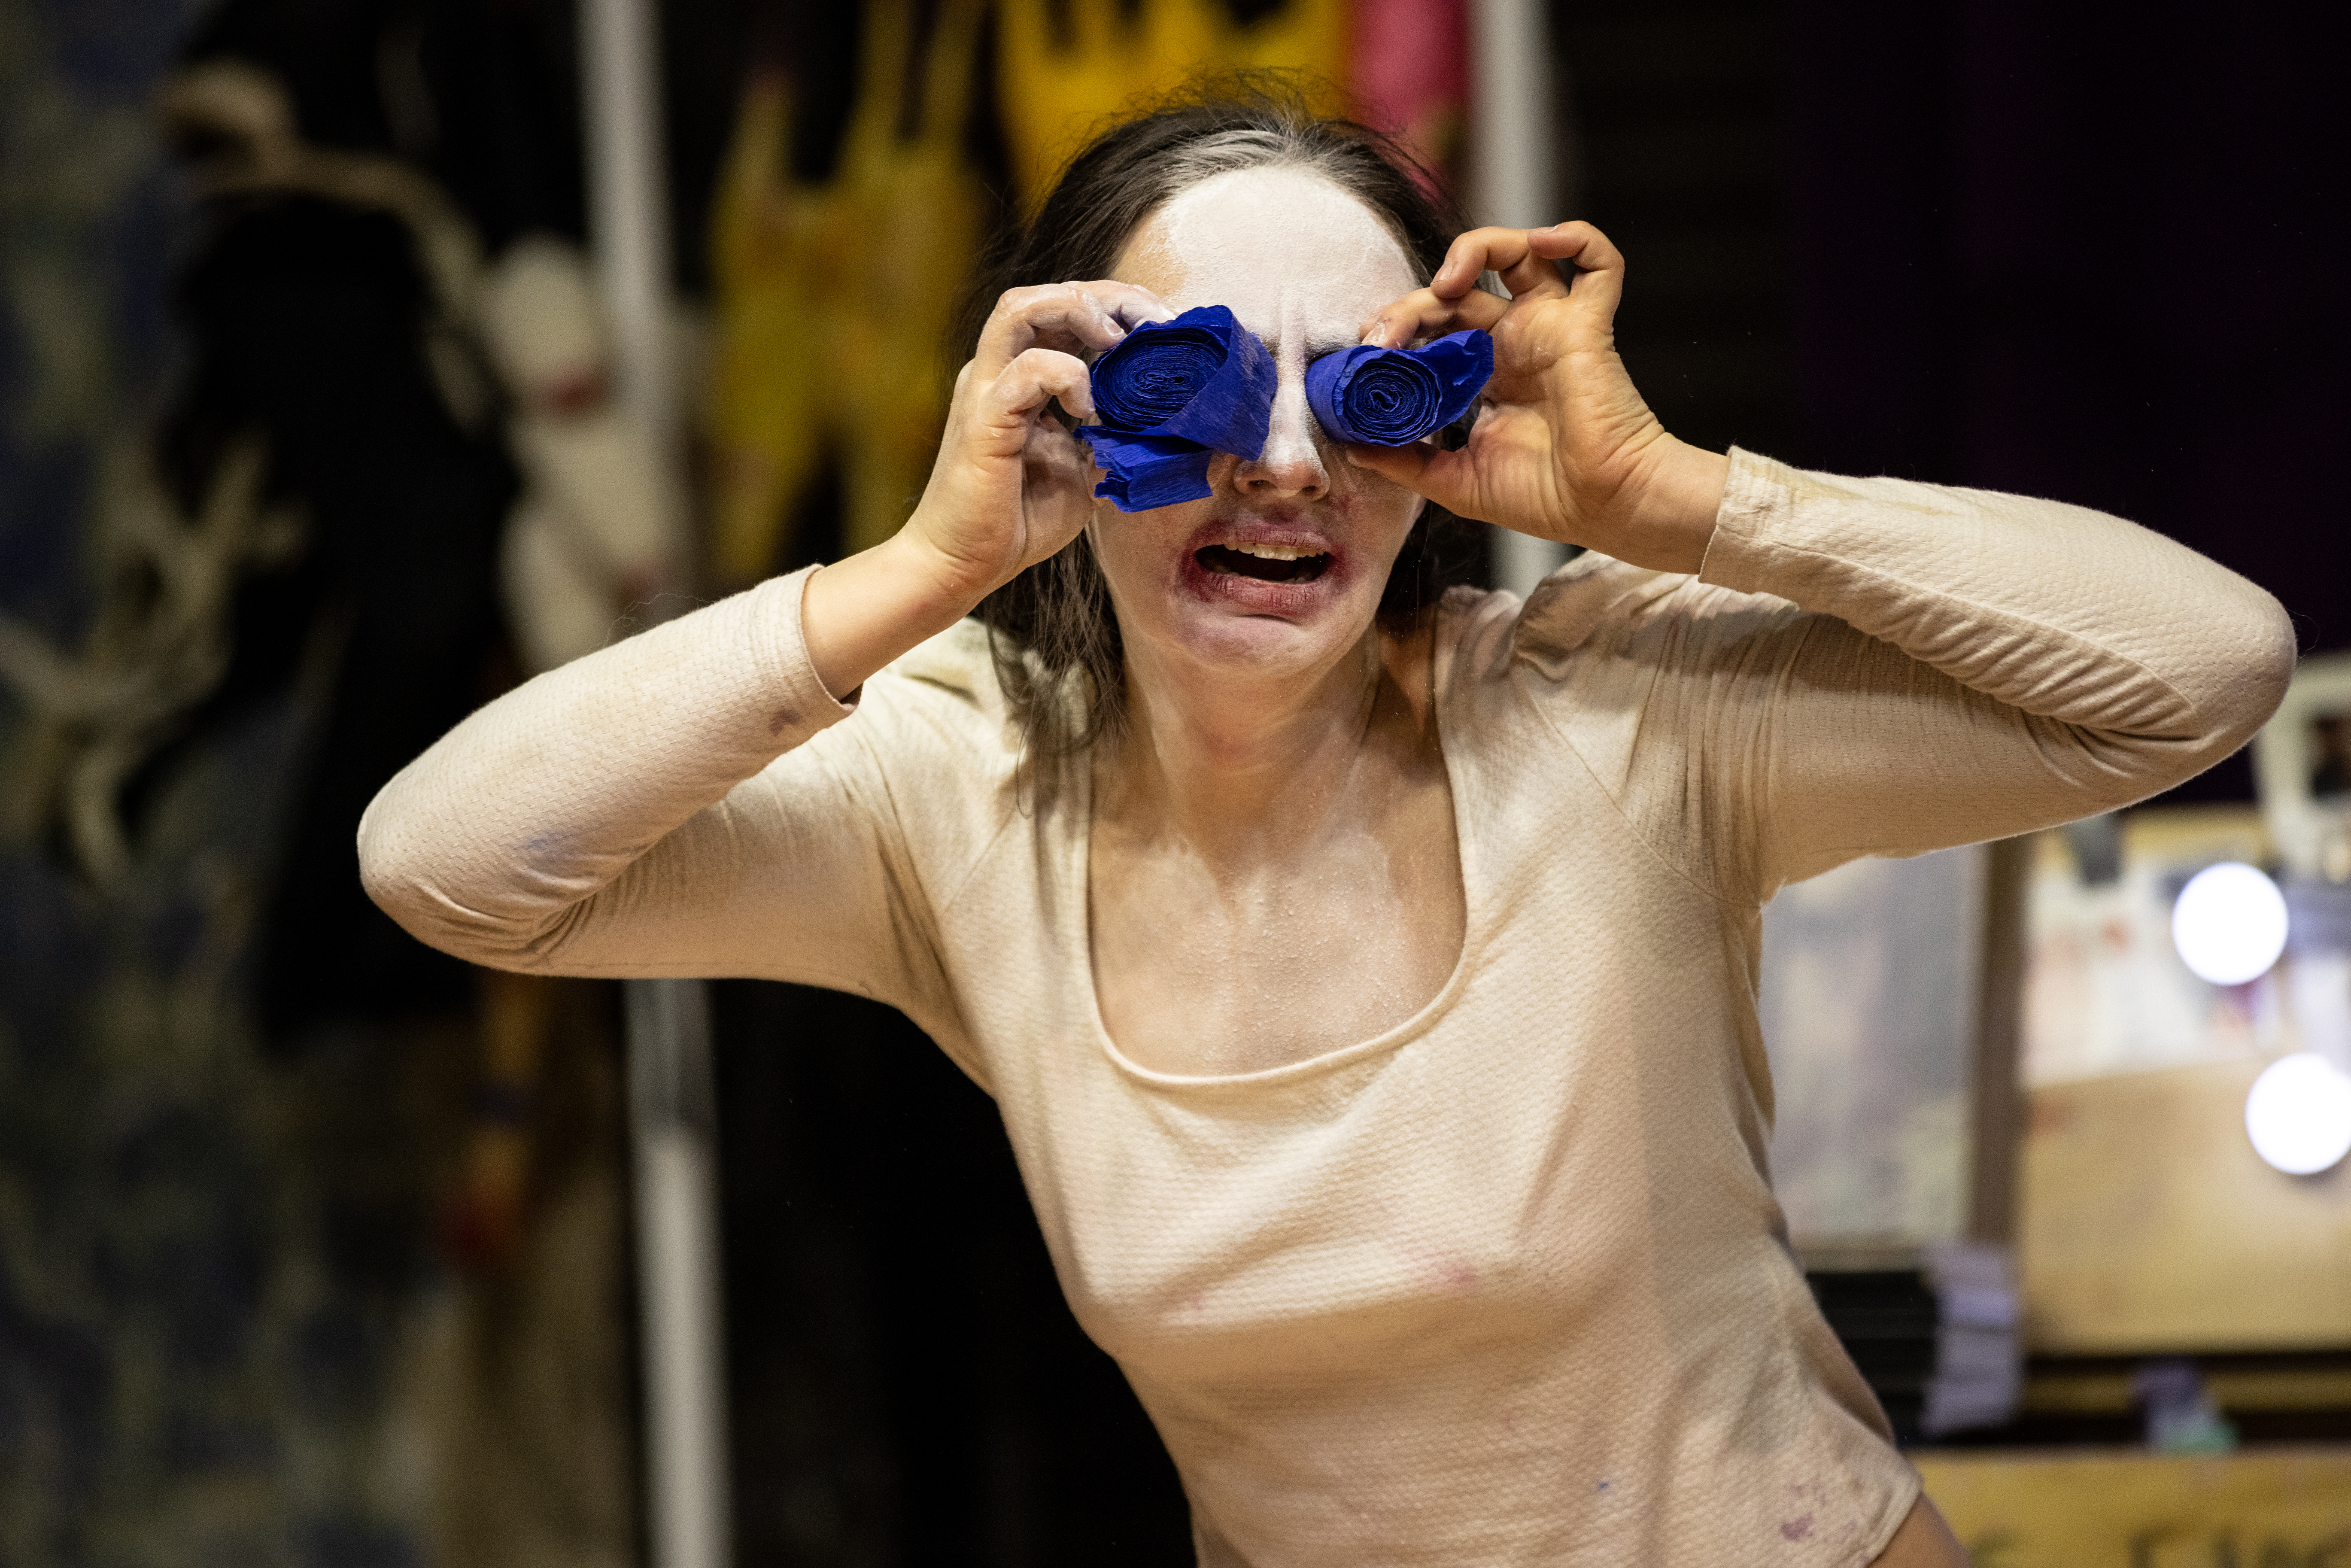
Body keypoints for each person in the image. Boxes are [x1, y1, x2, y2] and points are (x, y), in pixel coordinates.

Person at [360, 90, 2294, 1565]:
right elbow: (446, 865)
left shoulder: (1613, 712)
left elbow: (2202, 665)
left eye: (1371, 393)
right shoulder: (958, 796)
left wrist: (1684, 496)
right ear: (1056, 410)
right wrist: (920, 565)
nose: (1282, 461)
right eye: (1185, 382)